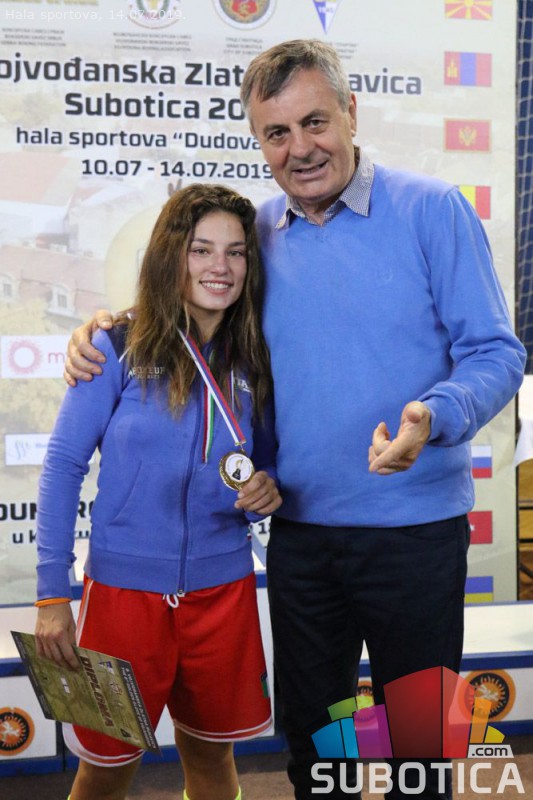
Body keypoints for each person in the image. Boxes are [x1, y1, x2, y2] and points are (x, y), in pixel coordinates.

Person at [63, 40, 526, 800]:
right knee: (318, 748)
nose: (300, 148)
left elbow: (496, 352)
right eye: (276, 133)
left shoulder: (431, 209)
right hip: (302, 540)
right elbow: (196, 312)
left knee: (421, 747)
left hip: (413, 534)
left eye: (314, 122)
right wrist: (109, 329)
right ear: (258, 140)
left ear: (351, 112)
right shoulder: (257, 236)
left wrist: (435, 414)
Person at [35, 183, 282, 800]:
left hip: (222, 592)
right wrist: (51, 595)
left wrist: (268, 484)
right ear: (172, 255)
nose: (220, 266)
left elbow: (270, 460)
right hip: (122, 599)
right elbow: (63, 466)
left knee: (212, 762)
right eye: (201, 249)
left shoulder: (254, 357)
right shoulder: (114, 345)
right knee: (102, 773)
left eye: (235, 252)